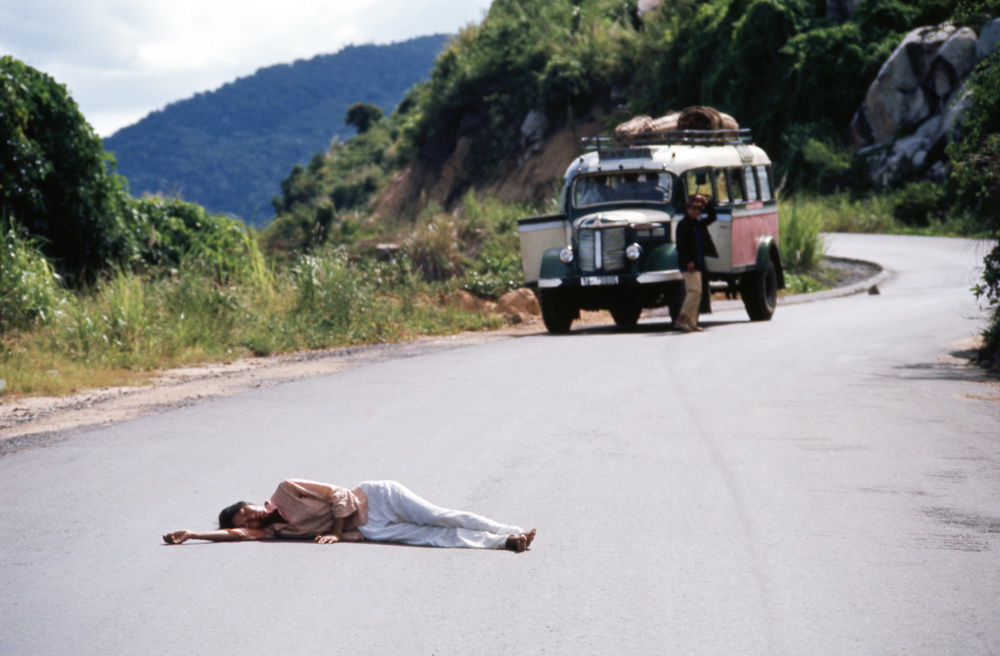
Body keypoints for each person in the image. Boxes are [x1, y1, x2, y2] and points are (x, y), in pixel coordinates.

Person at [163, 479, 537, 552]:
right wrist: (194, 534)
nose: (251, 520)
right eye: (245, 522)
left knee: (441, 517)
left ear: (250, 504)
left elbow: (338, 495)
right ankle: (506, 542)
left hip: (376, 499)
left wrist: (338, 532)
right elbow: (235, 538)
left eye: (247, 512)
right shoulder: (275, 533)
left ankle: (512, 527)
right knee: (435, 539)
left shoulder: (285, 489)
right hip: (371, 530)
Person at [675, 193, 718, 332]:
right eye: (693, 208)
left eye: (698, 209)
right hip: (688, 264)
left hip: (698, 262)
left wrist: (707, 203)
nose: (696, 211)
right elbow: (681, 246)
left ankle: (691, 322)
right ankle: (682, 318)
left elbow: (713, 217)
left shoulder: (697, 223)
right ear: (687, 209)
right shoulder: (683, 225)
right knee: (695, 291)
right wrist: (688, 261)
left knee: (696, 292)